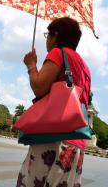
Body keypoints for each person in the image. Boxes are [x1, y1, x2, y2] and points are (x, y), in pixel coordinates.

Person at [16, 17, 91, 187]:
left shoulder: (58, 53)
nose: (47, 41)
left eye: (47, 35)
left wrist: (31, 65)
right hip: (76, 144)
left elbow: (39, 87)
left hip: (52, 139)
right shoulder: (84, 67)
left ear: (55, 35)